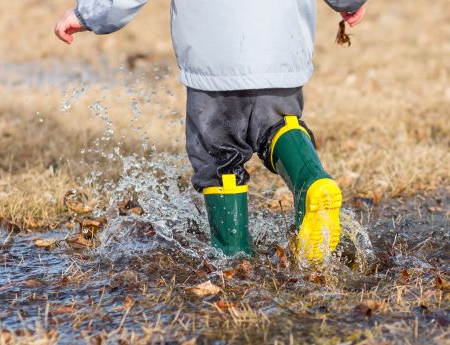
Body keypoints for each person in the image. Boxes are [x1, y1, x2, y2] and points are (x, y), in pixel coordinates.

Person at [54, 0, 367, 264]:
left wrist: (90, 14)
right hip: (279, 48)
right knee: (280, 125)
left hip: (214, 58)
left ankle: (234, 256)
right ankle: (312, 181)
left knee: (219, 158)